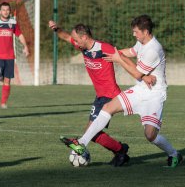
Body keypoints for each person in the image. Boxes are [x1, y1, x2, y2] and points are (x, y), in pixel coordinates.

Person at [60, 15, 183, 168]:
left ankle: (174, 154)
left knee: (150, 135)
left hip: (154, 95)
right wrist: (110, 54)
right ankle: (81, 143)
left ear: (145, 31)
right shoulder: (142, 42)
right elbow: (131, 52)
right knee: (107, 108)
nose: (134, 34)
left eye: (136, 32)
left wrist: (118, 59)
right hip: (140, 90)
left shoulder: (154, 49)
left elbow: (137, 73)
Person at [48, 20, 133, 166]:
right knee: (92, 132)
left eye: (76, 39)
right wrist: (57, 29)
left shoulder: (103, 48)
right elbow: (67, 37)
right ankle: (120, 150)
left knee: (91, 131)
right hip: (100, 96)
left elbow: (123, 57)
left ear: (84, 37)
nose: (74, 42)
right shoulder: (83, 47)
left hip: (110, 95)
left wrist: (142, 74)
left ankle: (120, 150)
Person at [0, 2, 29, 109]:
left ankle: (3, 103)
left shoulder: (13, 23)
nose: (5, 12)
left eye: (7, 10)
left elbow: (20, 35)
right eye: (3, 10)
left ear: (9, 11)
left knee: (7, 80)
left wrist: (25, 46)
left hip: (10, 57)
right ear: (0, 11)